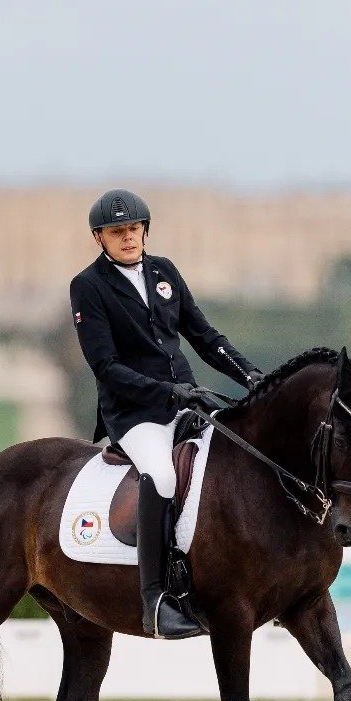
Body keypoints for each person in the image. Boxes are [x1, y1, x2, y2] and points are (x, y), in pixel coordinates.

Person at [69, 189, 263, 639]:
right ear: (99, 237)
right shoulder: (89, 286)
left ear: (145, 230)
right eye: (117, 231)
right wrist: (166, 391)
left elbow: (203, 335)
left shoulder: (164, 272)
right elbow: (105, 366)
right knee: (162, 475)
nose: (128, 238)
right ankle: (154, 599)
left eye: (134, 229)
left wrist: (250, 374)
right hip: (135, 415)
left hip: (185, 401)